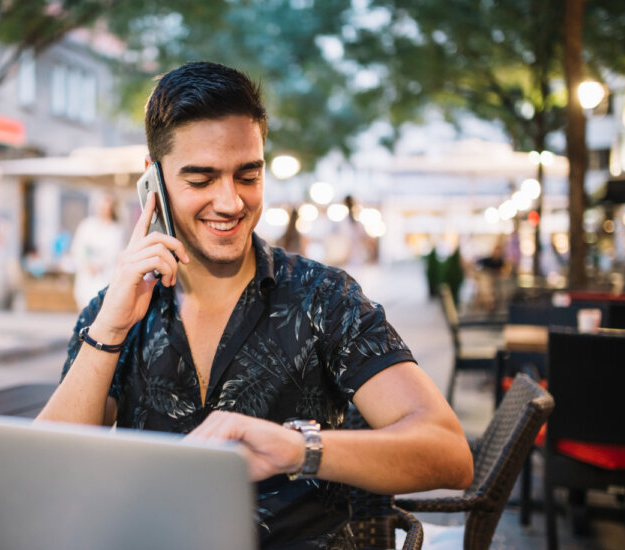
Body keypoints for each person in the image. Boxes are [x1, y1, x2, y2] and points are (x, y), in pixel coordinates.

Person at [38, 62, 472, 549]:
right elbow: (43, 476)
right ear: (153, 180)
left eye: (247, 175)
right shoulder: (113, 311)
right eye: (200, 179)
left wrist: (298, 449)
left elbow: (449, 453)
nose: (230, 202)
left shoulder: (324, 298)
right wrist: (111, 327)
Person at [70, 195, 125, 307]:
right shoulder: (87, 226)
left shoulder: (116, 230)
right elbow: (78, 248)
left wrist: (99, 264)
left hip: (105, 278)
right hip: (86, 277)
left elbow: (116, 253)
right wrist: (87, 264)